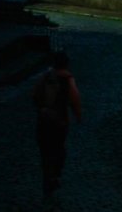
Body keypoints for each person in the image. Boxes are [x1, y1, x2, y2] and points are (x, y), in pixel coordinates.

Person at [32, 51, 82, 205]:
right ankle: (55, 175)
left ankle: (47, 177)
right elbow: (75, 99)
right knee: (59, 148)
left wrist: (42, 108)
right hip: (60, 121)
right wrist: (78, 115)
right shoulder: (68, 79)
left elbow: (34, 95)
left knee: (45, 150)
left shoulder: (45, 76)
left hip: (44, 119)